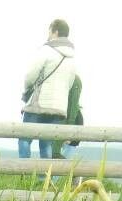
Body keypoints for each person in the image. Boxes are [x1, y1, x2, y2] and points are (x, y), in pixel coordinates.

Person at [18, 19, 77, 160]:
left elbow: (30, 75)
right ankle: (45, 173)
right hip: (58, 108)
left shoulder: (46, 50)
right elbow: (70, 84)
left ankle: (24, 169)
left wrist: (27, 89)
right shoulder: (72, 58)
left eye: (49, 31)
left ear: (55, 31)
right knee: (46, 144)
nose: (48, 34)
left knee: (24, 138)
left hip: (39, 104)